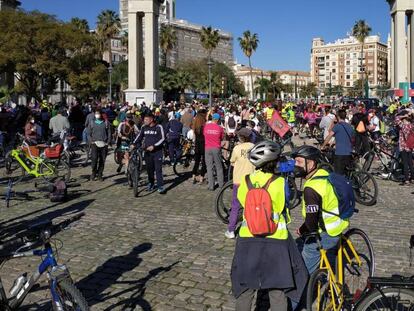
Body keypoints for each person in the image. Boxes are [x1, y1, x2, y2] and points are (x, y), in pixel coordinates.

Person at [231, 140, 308, 311]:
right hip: (276, 241)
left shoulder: (246, 181)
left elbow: (242, 201)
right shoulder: (280, 182)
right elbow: (284, 205)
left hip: (247, 239)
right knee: (277, 290)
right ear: (273, 162)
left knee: (245, 289)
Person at [291, 145, 349, 274]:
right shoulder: (324, 174)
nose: (295, 165)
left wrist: (301, 229)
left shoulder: (311, 188)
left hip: (327, 233)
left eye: (299, 162)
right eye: (295, 162)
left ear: (311, 163)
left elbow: (311, 224)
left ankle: (304, 291)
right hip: (340, 224)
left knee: (304, 266)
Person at [224, 128, 255, 239]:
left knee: (235, 205)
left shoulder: (237, 148)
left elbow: (232, 161)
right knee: (250, 205)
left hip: (238, 180)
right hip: (251, 180)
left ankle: (231, 230)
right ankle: (250, 228)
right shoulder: (254, 147)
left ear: (240, 137)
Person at [132, 113, 166, 194]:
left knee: (158, 170)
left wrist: (154, 146)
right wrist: (133, 144)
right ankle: (151, 183)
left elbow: (162, 139)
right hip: (147, 152)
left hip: (157, 152)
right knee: (149, 170)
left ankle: (160, 186)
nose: (144, 121)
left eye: (146, 120)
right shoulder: (144, 127)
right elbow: (139, 136)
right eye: (144, 120)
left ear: (151, 120)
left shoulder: (158, 127)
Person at [321, 109, 354, 175]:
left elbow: (329, 136)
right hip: (349, 153)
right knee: (346, 173)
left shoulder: (337, 126)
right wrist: (334, 142)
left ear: (338, 117)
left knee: (338, 174)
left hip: (340, 153)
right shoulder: (350, 126)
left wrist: (323, 146)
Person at [87, 109, 111, 181]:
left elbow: (109, 133)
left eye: (98, 113)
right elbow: (88, 133)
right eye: (96, 113)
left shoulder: (106, 123)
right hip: (94, 143)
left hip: (103, 144)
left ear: (101, 114)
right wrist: (91, 141)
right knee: (94, 159)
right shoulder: (92, 123)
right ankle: (93, 172)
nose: (97, 115)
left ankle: (100, 174)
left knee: (102, 160)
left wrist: (108, 142)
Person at [204, 113, 224, 191]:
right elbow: (222, 137)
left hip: (207, 148)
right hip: (216, 148)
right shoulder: (220, 128)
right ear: (218, 120)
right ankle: (221, 184)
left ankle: (211, 186)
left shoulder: (206, 127)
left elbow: (204, 135)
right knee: (219, 166)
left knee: (209, 167)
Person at [396, 111, 414, 186]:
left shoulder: (402, 126)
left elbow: (396, 118)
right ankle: (412, 178)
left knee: (405, 163)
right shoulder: (411, 126)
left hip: (403, 146)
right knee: (410, 163)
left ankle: (406, 180)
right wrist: (409, 115)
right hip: (410, 146)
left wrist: (403, 116)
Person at [191, 109, 207, 184]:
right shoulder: (204, 124)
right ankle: (201, 177)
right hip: (204, 144)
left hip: (197, 144)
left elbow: (194, 135)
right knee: (204, 161)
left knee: (197, 161)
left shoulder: (195, 123)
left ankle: (193, 176)